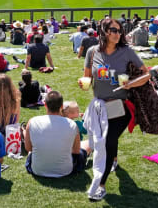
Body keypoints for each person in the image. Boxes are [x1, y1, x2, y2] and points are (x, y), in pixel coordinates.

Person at [82, 18, 149, 201]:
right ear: (104, 31)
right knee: (108, 139)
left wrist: (131, 84)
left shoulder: (126, 51)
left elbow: (147, 73)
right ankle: (114, 160)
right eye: (113, 30)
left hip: (121, 107)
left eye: (120, 31)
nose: (118, 34)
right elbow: (86, 77)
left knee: (108, 141)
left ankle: (100, 185)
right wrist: (84, 84)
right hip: (100, 107)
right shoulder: (92, 52)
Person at [24, 91, 88, 178]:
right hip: (66, 170)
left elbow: (28, 148)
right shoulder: (72, 124)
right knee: (88, 144)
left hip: (37, 170)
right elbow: (76, 151)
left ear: (45, 105)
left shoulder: (32, 121)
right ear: (61, 106)